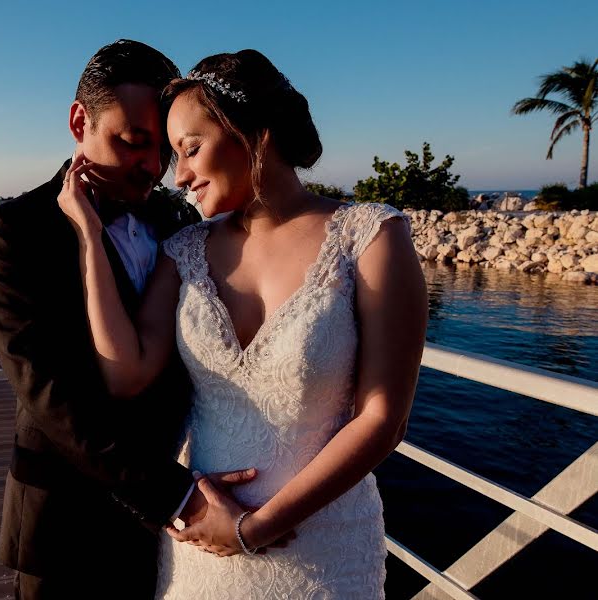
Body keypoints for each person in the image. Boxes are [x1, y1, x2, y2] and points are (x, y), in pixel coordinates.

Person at [57, 49, 428, 598]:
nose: (177, 175)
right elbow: (125, 373)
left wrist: (255, 529)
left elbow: (383, 420)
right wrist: (89, 237)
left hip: (323, 554)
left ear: (254, 133)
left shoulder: (370, 237)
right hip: (203, 550)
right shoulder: (183, 252)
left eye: (190, 149)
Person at [0, 40, 258, 600]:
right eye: (133, 143)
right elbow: (52, 397)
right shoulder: (10, 232)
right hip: (64, 526)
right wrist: (179, 497)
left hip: (179, 522)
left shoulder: (177, 218)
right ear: (81, 121)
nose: (154, 169)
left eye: (167, 150)